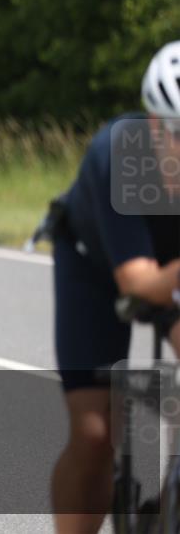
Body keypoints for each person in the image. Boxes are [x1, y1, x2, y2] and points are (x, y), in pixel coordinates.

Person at [51, 41, 180, 533]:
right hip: (99, 267)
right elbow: (139, 284)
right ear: (154, 125)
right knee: (94, 432)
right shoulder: (120, 155)